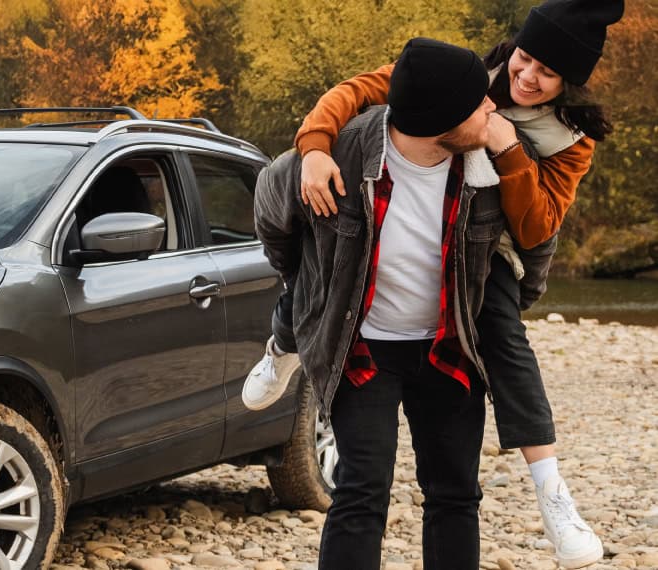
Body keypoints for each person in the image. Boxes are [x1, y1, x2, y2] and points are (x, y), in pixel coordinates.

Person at [244, 0, 624, 567]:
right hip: (364, 343)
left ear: (568, 85)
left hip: (462, 313)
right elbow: (343, 101)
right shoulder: (447, 84)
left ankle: (553, 491)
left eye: (546, 74)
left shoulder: (530, 153)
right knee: (359, 490)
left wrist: (509, 151)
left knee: (455, 492)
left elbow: (540, 233)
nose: (519, 84)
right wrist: (316, 149)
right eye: (523, 60)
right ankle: (282, 348)